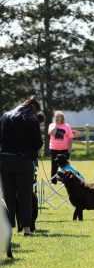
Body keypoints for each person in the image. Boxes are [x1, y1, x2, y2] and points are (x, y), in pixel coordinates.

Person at [0, 96, 44, 236]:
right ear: (35, 109)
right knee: (25, 196)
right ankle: (26, 229)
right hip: (23, 161)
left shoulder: (5, 116)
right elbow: (38, 143)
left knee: (8, 196)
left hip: (4, 160)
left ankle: (8, 229)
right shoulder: (31, 119)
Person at [47, 110, 79, 178]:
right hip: (54, 149)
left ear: (62, 118)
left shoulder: (67, 126)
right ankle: (53, 180)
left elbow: (70, 138)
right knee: (54, 165)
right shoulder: (52, 125)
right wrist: (56, 125)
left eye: (58, 117)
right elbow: (51, 133)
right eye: (56, 117)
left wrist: (69, 149)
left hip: (64, 150)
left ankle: (66, 180)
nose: (57, 118)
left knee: (65, 166)